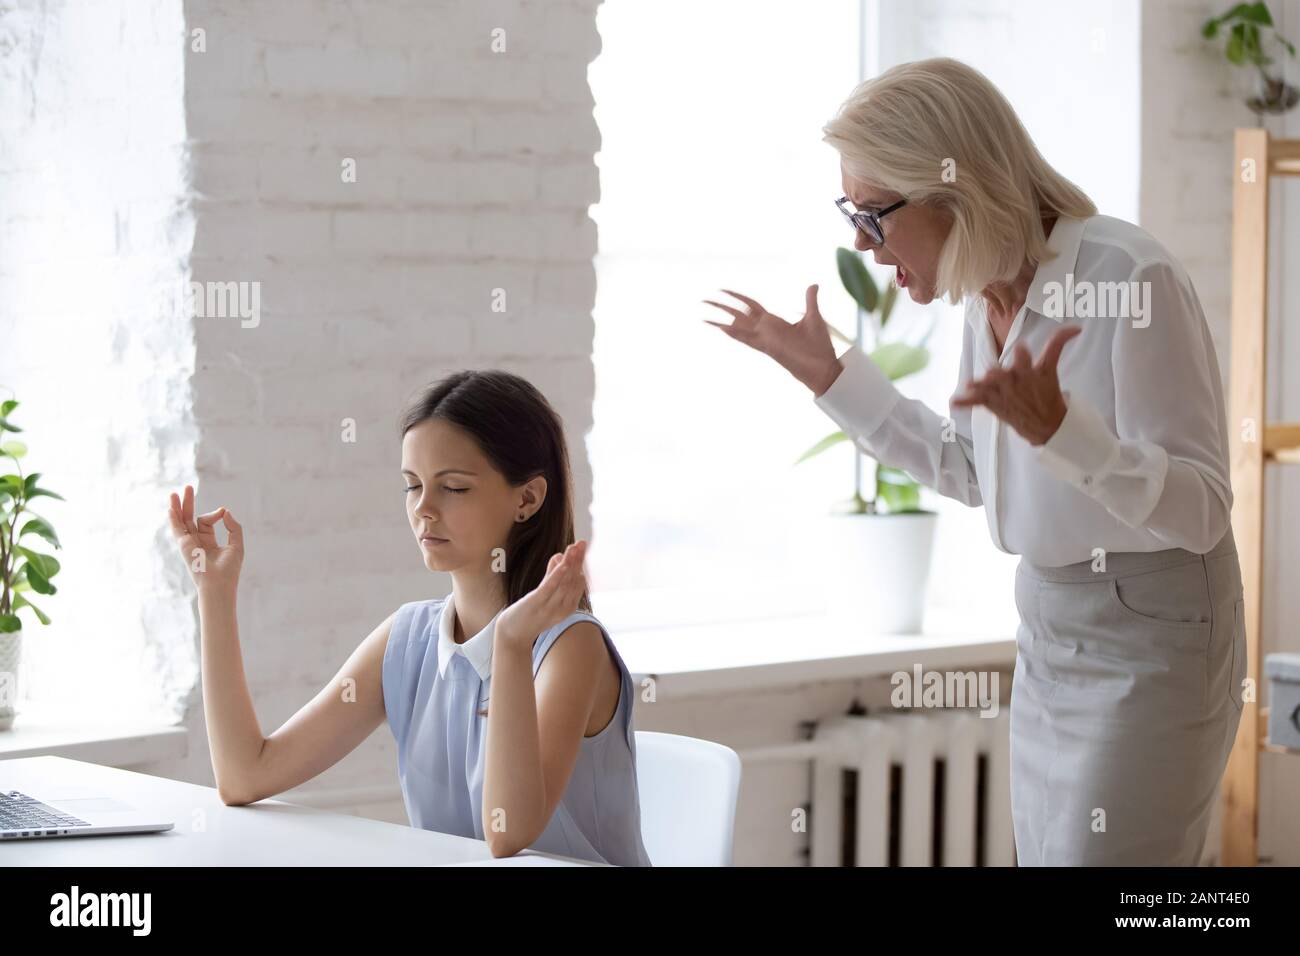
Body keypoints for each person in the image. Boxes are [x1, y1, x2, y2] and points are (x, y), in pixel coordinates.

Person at [705, 57, 1245, 865]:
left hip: (1154, 630)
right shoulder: (985, 298)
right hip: (1048, 623)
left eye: (874, 214)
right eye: (850, 212)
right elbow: (968, 468)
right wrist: (830, 377)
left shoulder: (1130, 276)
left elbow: (1203, 507)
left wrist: (1069, 436)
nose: (860, 241)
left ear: (952, 191)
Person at [167, 369, 652, 866]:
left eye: (454, 488)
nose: (424, 509)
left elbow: (508, 834)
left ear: (526, 498)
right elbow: (244, 775)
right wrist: (215, 591)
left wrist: (509, 643)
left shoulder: (571, 648)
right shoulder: (408, 640)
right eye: (412, 486)